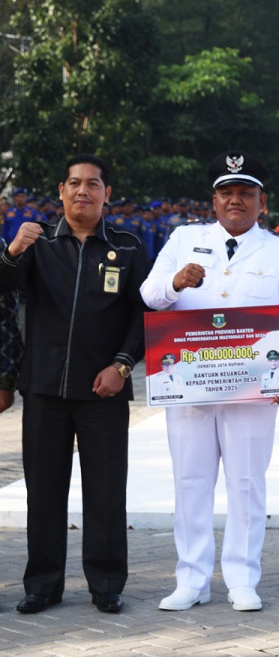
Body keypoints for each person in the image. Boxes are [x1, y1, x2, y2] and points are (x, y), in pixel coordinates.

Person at [141, 151, 279, 613]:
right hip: (190, 382)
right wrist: (175, 282)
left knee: (247, 481)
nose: (236, 200)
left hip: (252, 386)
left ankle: (242, 577)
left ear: (261, 201)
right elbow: (150, 297)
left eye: (245, 193)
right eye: (227, 192)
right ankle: (191, 578)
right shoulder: (183, 238)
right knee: (190, 480)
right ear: (213, 201)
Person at [0, 155, 149, 615]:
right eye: (74, 183)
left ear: (106, 194)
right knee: (43, 490)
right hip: (44, 388)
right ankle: (43, 585)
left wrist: (122, 366)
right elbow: (3, 290)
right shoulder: (38, 241)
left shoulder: (127, 247)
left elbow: (143, 317)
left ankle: (106, 582)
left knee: (106, 490)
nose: (83, 191)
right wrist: (10, 253)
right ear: (61, 191)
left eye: (93, 184)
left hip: (103, 391)